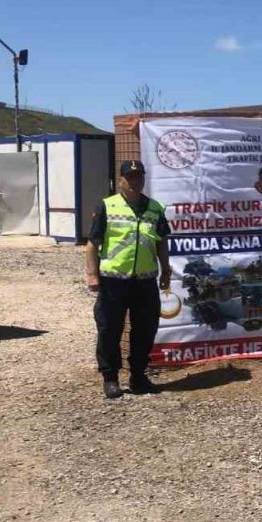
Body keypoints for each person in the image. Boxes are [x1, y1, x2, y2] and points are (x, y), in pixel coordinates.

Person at [85, 160, 172, 398]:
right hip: (113, 281)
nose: (135, 181)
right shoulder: (107, 206)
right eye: (130, 177)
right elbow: (93, 244)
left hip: (145, 281)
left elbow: (161, 241)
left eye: (139, 176)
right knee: (109, 329)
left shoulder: (154, 208)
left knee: (145, 329)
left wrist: (166, 270)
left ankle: (138, 376)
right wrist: (92, 275)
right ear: (120, 180)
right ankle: (110, 378)